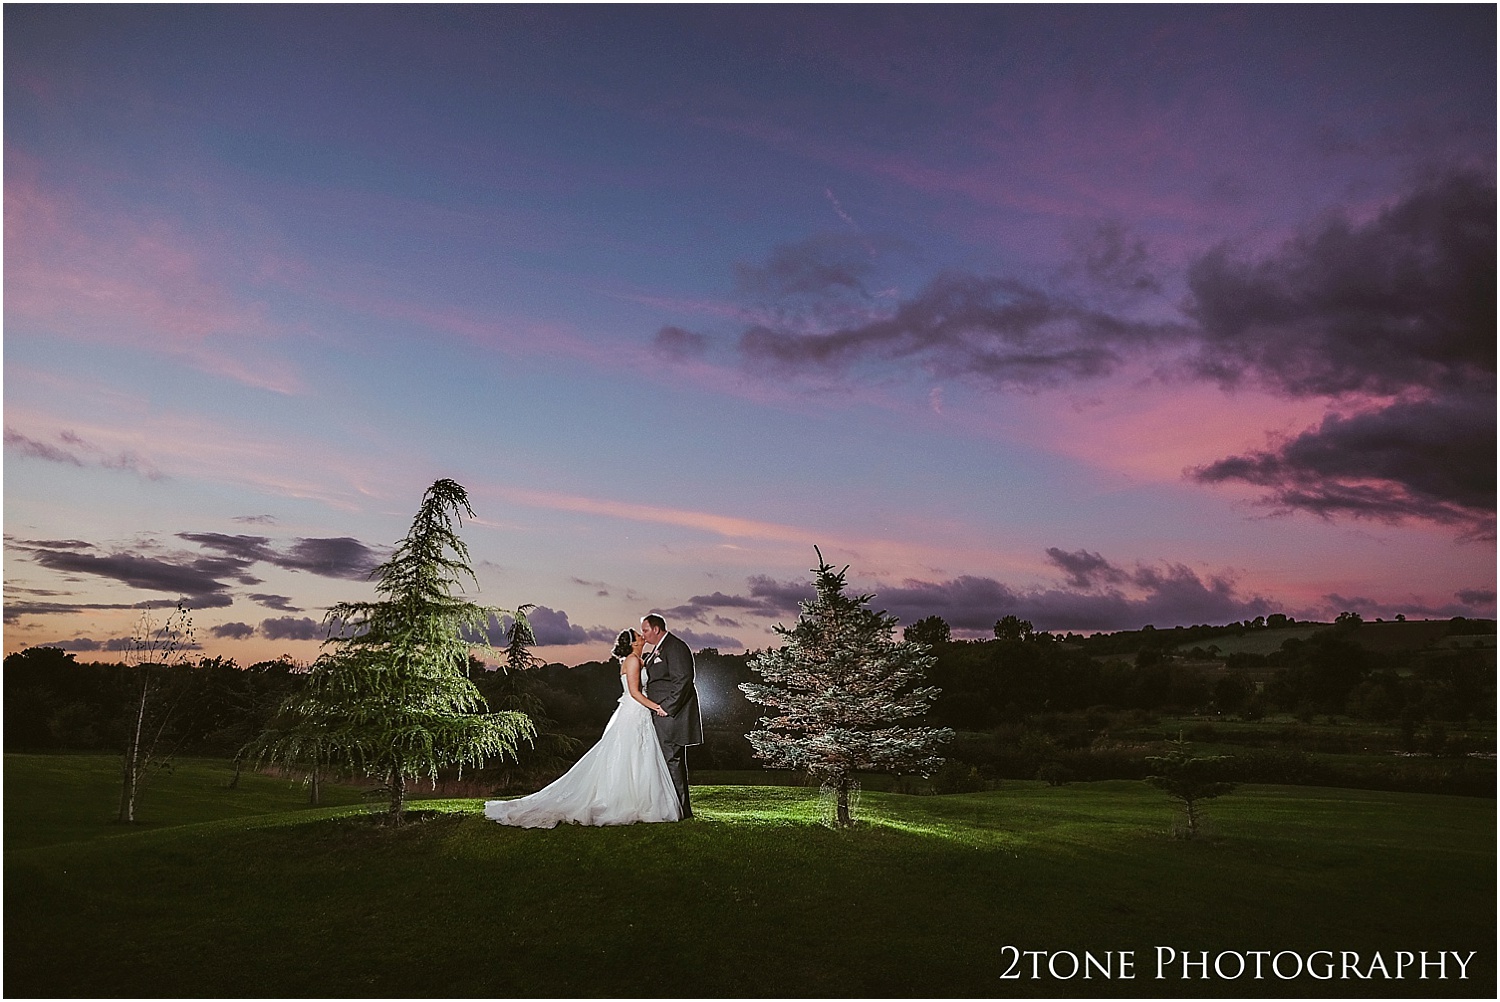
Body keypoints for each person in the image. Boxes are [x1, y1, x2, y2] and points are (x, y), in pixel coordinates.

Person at [483, 629, 681, 828]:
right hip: (634, 711)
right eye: (639, 635)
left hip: (638, 713)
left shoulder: (638, 659)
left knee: (637, 754)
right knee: (628, 753)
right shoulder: (632, 660)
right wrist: (657, 707)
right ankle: (627, 799)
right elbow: (634, 692)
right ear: (633, 643)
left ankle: (639, 797)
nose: (642, 636)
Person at [639, 613, 702, 819]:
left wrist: (667, 707)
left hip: (670, 715)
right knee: (667, 760)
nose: (643, 635)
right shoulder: (657, 650)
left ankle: (679, 810)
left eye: (646, 630)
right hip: (659, 713)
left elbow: (683, 679)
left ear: (656, 629)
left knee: (671, 760)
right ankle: (671, 807)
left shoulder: (675, 647)